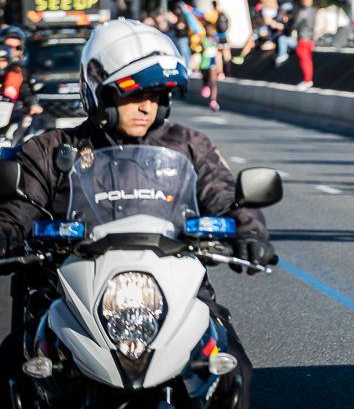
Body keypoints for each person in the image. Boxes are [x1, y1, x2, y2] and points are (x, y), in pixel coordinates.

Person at [0, 20, 274, 407]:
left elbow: (227, 196)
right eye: (133, 95)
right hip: (72, 294)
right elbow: (19, 207)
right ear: (99, 93)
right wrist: (6, 233)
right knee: (15, 364)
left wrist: (250, 233)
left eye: (157, 95)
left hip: (175, 291)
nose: (147, 106)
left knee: (233, 370)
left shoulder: (189, 146)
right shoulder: (51, 149)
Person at [198, 21, 222, 111]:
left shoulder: (215, 39)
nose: (209, 30)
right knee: (206, 79)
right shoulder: (203, 39)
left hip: (213, 62)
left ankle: (213, 100)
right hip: (204, 62)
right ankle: (205, 86)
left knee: (213, 82)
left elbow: (218, 53)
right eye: (207, 29)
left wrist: (220, 69)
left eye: (210, 29)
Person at [294, 0, 316, 90]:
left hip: (303, 38)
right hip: (310, 39)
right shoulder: (313, 11)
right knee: (308, 60)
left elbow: (296, 24)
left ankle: (307, 80)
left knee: (305, 61)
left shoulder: (304, 12)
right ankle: (307, 79)